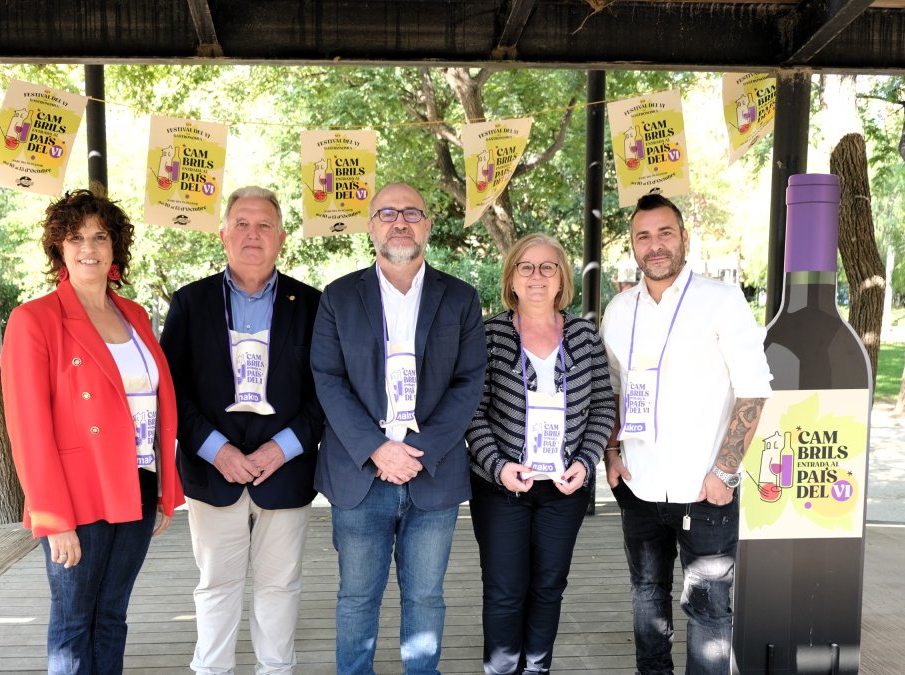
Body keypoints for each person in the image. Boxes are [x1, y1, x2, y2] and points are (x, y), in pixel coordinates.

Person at [2, 188, 183, 674]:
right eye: (76, 237)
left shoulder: (135, 314)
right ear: (59, 248)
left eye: (100, 236)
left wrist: (165, 484)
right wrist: (52, 516)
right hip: (77, 495)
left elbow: (155, 406)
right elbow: (27, 427)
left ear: (115, 247)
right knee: (74, 621)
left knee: (112, 617)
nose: (89, 247)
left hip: (138, 485)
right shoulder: (34, 320)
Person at [311, 182, 487, 675]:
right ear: (371, 227)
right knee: (356, 599)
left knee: (427, 599)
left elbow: (469, 382)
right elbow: (328, 380)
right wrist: (377, 449)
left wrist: (417, 451)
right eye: (387, 213)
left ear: (428, 225)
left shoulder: (460, 298)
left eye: (412, 212)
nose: (400, 221)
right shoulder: (339, 297)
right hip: (359, 473)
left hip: (433, 474)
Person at [601, 194, 772, 675]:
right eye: (643, 236)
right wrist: (612, 452)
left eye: (664, 233)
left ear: (684, 238)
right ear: (633, 245)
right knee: (646, 598)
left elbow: (754, 390)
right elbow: (612, 389)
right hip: (638, 485)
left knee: (710, 611)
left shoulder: (721, 300)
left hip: (706, 489)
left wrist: (724, 470)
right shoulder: (617, 310)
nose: (654, 245)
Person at [160, 186, 324, 675]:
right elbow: (173, 390)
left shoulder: (314, 305)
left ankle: (276, 670)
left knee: (280, 587)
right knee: (215, 586)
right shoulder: (190, 303)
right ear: (223, 234)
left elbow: (328, 391)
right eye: (242, 224)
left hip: (287, 469)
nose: (253, 234)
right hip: (213, 473)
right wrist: (216, 450)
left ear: (282, 238)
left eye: (264, 225)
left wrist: (285, 447)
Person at [465, 232, 616, 674]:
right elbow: (472, 412)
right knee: (505, 591)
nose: (536, 276)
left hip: (564, 489)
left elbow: (604, 404)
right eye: (526, 267)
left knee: (549, 587)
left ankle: (536, 670)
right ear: (511, 278)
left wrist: (586, 462)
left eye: (547, 266)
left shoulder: (585, 334)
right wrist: (498, 467)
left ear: (561, 278)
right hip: (502, 489)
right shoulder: (489, 334)